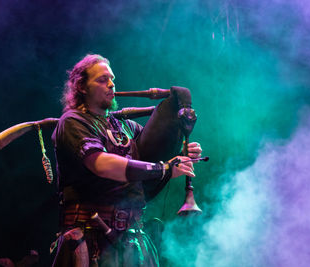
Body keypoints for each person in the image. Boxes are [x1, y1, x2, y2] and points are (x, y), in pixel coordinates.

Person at [51, 54, 202, 266]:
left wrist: (179, 158)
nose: (111, 84)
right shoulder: (73, 121)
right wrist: (162, 168)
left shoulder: (125, 127)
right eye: (102, 79)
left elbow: (148, 167)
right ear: (82, 87)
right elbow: (101, 164)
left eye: (112, 79)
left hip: (132, 241)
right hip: (89, 238)